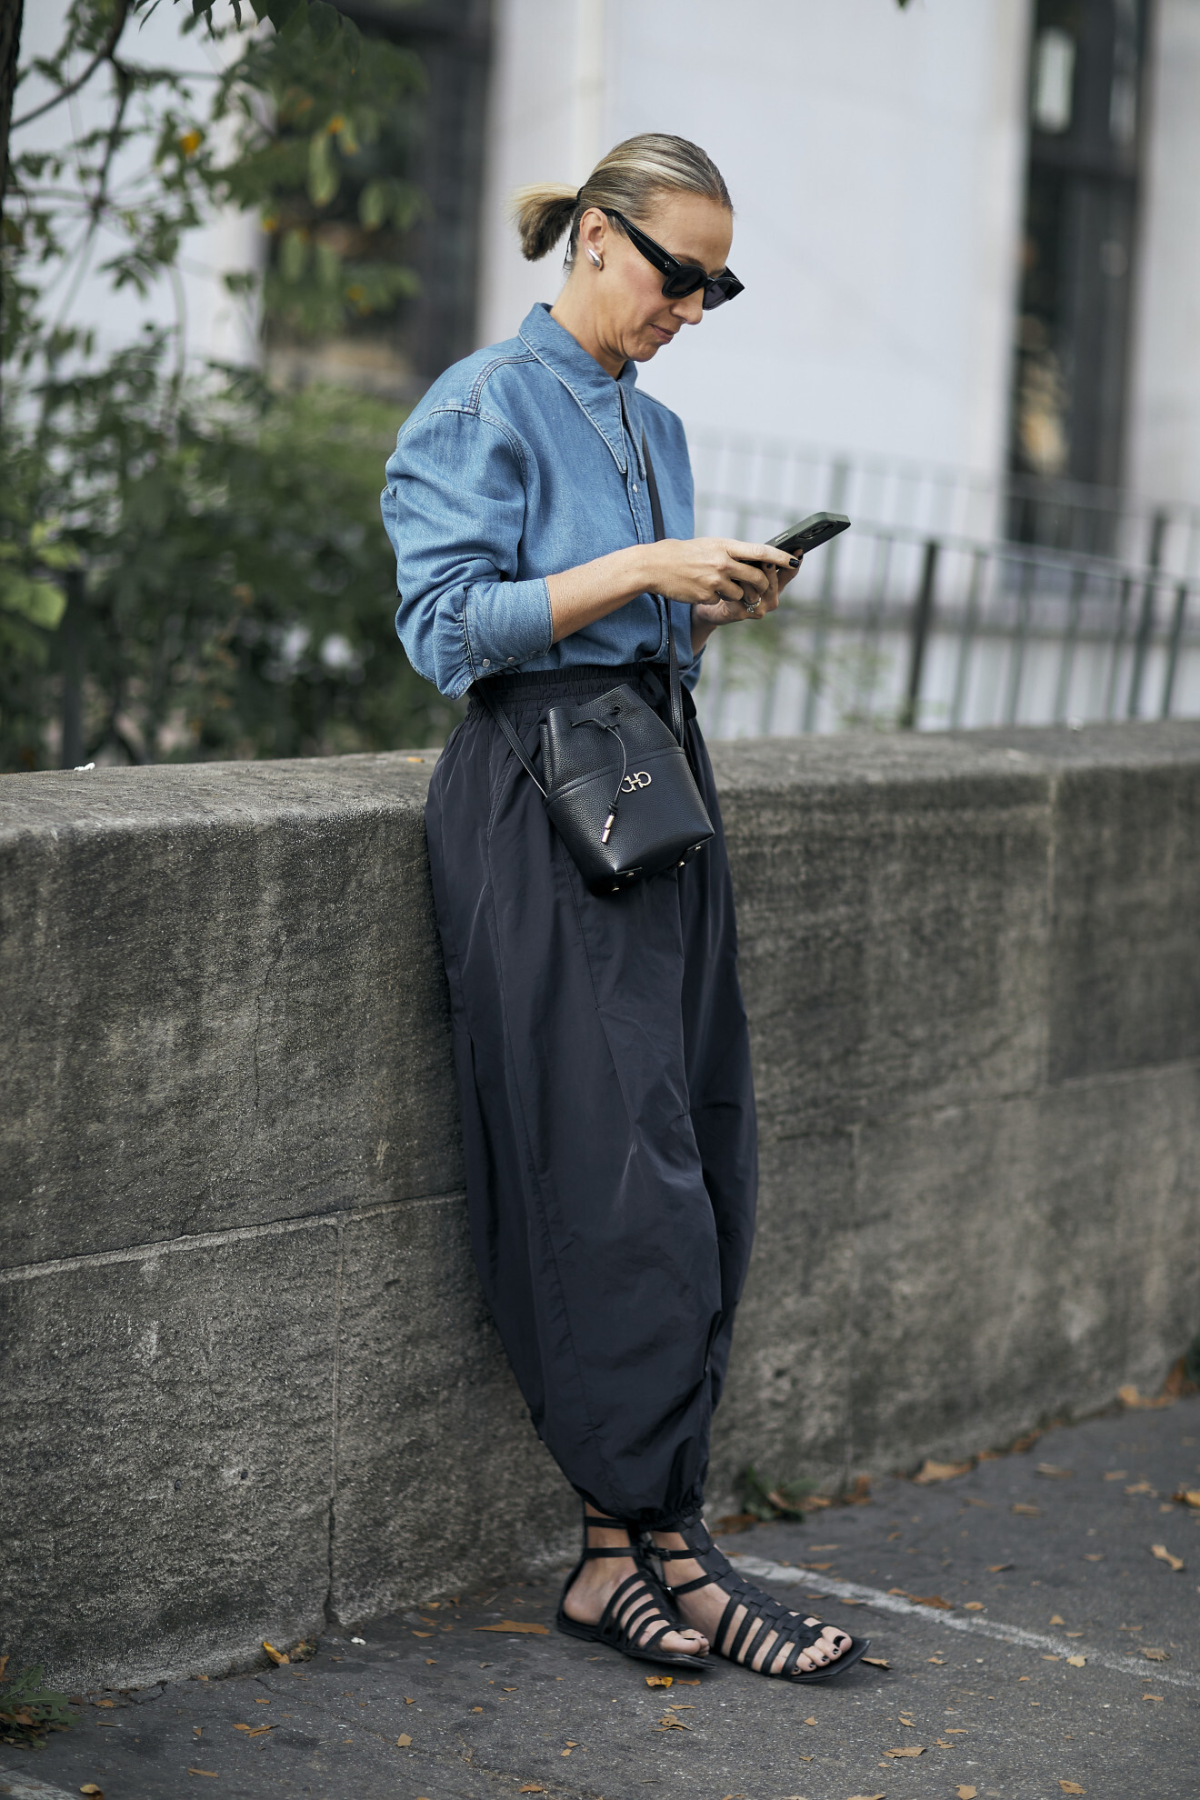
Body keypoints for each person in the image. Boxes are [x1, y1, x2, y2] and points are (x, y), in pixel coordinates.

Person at [381, 133, 866, 1684]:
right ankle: (631, 1548)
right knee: (610, 1165)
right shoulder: (479, 404)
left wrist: (705, 595)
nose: (695, 306)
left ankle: (652, 1544)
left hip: (653, 789)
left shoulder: (653, 423)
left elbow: (632, 633)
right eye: (679, 273)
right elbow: (450, 633)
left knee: (699, 1148)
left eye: (718, 285)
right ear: (596, 237)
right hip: (539, 803)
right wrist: (648, 560)